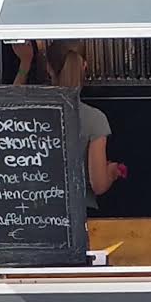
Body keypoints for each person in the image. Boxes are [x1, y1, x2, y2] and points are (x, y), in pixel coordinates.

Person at [45, 40, 126, 208]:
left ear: (49, 69)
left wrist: (24, 65)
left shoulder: (28, 116)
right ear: (84, 66)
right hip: (81, 215)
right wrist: (112, 171)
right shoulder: (95, 119)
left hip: (34, 215)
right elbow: (99, 184)